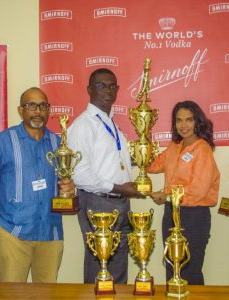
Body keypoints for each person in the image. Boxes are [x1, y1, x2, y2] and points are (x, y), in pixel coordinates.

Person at [0, 87, 75, 283]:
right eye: (31, 105)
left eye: (43, 106)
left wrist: (69, 189)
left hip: (50, 232)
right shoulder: (4, 141)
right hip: (14, 233)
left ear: (48, 110)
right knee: (12, 296)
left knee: (46, 295)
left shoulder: (59, 144)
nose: (38, 111)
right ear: (20, 110)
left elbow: (64, 182)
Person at [67, 68, 144, 284]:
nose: (107, 90)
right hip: (98, 202)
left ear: (118, 90)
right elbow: (81, 176)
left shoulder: (112, 123)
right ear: (89, 89)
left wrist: (142, 159)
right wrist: (121, 188)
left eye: (112, 86)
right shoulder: (83, 125)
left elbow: (113, 162)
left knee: (118, 265)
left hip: (120, 202)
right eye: (101, 85)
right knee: (98, 266)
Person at [147, 100, 220, 285]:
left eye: (189, 120)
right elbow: (153, 166)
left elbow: (198, 191)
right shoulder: (174, 146)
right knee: (172, 267)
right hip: (171, 213)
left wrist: (166, 196)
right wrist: (143, 143)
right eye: (179, 120)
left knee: (190, 269)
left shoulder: (202, 149)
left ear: (197, 122)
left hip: (194, 216)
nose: (183, 125)